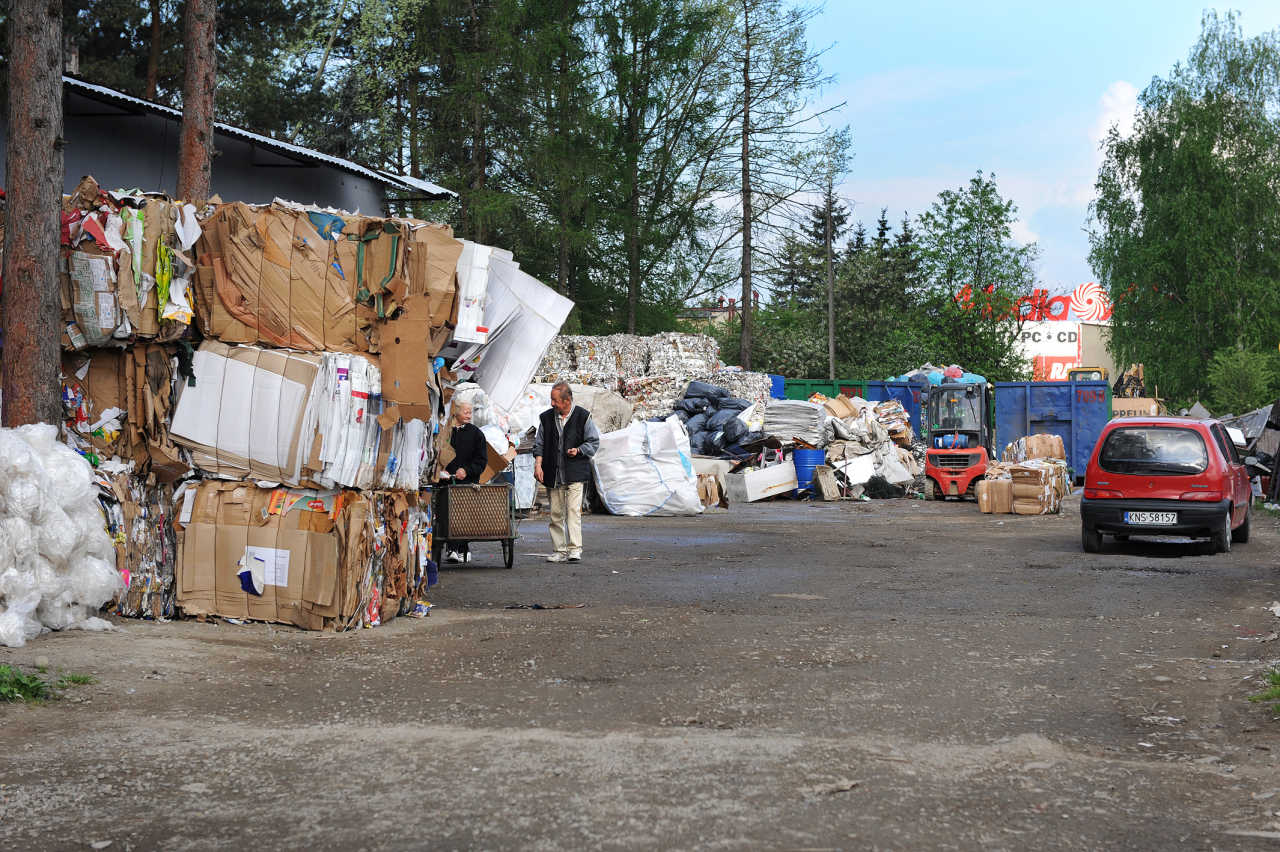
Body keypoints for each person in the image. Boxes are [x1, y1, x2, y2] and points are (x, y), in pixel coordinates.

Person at [534, 382, 600, 563]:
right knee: (555, 514)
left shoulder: (583, 417)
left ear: (567, 400)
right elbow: (539, 444)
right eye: (551, 400)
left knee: (573, 512)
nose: (552, 404)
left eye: (555, 400)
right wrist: (538, 465)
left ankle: (574, 549)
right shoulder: (546, 418)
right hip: (553, 473)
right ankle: (559, 550)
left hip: (575, 473)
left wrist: (579, 450)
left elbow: (593, 442)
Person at [444, 401, 488, 563]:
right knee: (448, 514)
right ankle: (452, 548)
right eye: (466, 412)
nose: (469, 415)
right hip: (448, 482)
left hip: (468, 483)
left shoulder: (476, 434)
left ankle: (463, 547)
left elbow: (481, 461)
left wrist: (467, 470)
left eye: (470, 412)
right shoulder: (446, 431)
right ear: (455, 412)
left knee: (465, 516)